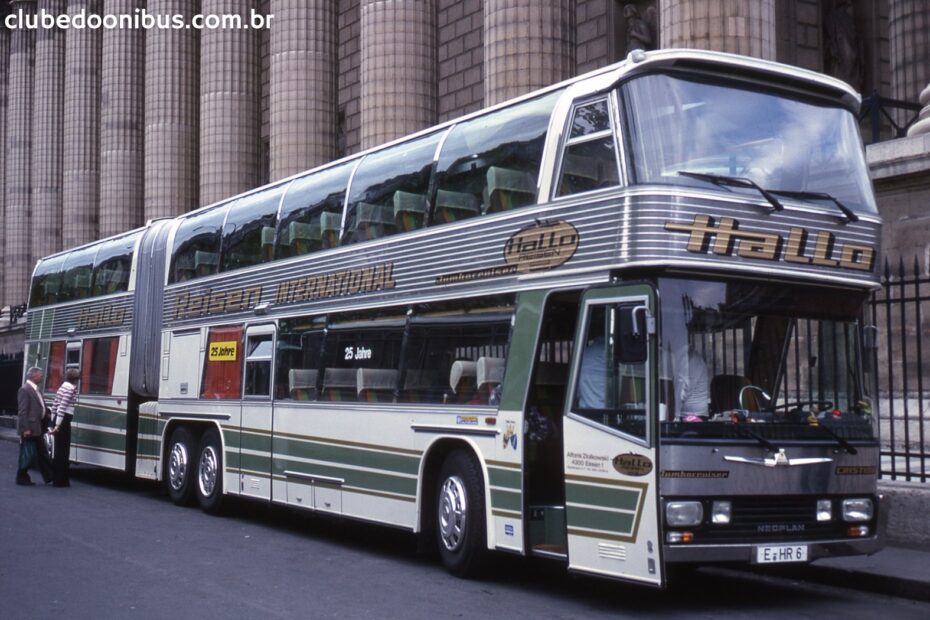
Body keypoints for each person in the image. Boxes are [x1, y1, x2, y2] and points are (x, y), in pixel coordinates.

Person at [15, 366, 53, 486]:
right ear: (33, 376)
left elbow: (40, 406)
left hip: (38, 426)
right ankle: (22, 476)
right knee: (29, 452)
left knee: (40, 452)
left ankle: (49, 476)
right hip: (30, 428)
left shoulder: (36, 389)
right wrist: (25, 428)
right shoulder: (25, 390)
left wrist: (46, 414)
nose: (42, 376)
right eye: (40, 374)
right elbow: (22, 411)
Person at [49, 368, 80, 487]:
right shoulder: (71, 389)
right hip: (64, 419)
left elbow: (55, 405)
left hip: (58, 418)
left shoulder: (62, 387)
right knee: (64, 450)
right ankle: (62, 480)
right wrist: (58, 425)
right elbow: (63, 407)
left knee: (58, 450)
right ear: (76, 379)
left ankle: (57, 479)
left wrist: (53, 422)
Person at [674, 345, 709, 419]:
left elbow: (681, 394)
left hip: (691, 416)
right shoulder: (692, 358)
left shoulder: (690, 361)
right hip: (695, 413)